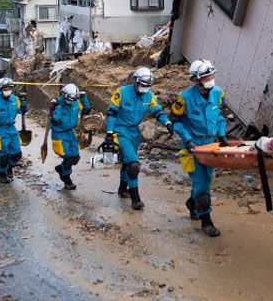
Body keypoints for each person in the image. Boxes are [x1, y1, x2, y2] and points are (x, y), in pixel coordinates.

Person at [171, 59, 227, 237]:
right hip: (193, 147)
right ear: (196, 80)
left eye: (212, 75)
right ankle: (206, 222)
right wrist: (187, 140)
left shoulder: (218, 93)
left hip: (211, 145)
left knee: (206, 180)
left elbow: (219, 116)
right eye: (207, 77)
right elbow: (176, 122)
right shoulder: (185, 98)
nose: (211, 79)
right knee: (202, 185)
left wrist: (222, 134)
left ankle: (191, 203)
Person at [103, 67, 172, 210]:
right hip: (120, 131)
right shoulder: (121, 93)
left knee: (127, 162)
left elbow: (157, 111)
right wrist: (109, 132)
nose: (145, 88)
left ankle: (122, 188)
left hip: (134, 132)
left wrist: (167, 122)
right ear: (136, 82)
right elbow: (111, 113)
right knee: (134, 164)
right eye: (143, 85)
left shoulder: (149, 96)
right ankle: (135, 198)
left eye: (148, 86)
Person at [0, 78, 28, 184]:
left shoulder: (15, 100)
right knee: (4, 156)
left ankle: (10, 167)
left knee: (17, 154)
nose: (7, 90)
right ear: (1, 89)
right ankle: (2, 174)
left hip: (12, 130)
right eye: (5, 88)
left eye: (9, 88)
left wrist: (23, 104)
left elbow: (22, 111)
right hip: (0, 130)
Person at [50, 83, 91, 190]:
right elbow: (54, 120)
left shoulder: (76, 104)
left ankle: (61, 168)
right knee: (68, 157)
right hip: (59, 134)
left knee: (75, 157)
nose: (70, 101)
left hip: (70, 133)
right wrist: (56, 104)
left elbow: (86, 109)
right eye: (68, 99)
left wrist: (84, 98)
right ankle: (66, 178)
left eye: (72, 99)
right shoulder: (59, 105)